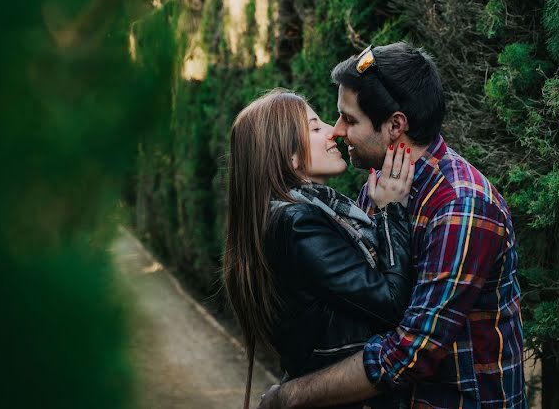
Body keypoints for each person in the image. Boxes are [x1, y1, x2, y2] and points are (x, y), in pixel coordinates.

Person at [258, 43, 526, 408]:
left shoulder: (462, 207)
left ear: (395, 125)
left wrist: (289, 395)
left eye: (349, 120)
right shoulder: (381, 189)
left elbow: (410, 354)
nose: (337, 132)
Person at [222, 89, 418, 409]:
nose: (333, 131)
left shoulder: (303, 215)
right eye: (315, 128)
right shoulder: (297, 223)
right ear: (290, 156)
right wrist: (392, 210)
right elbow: (392, 302)